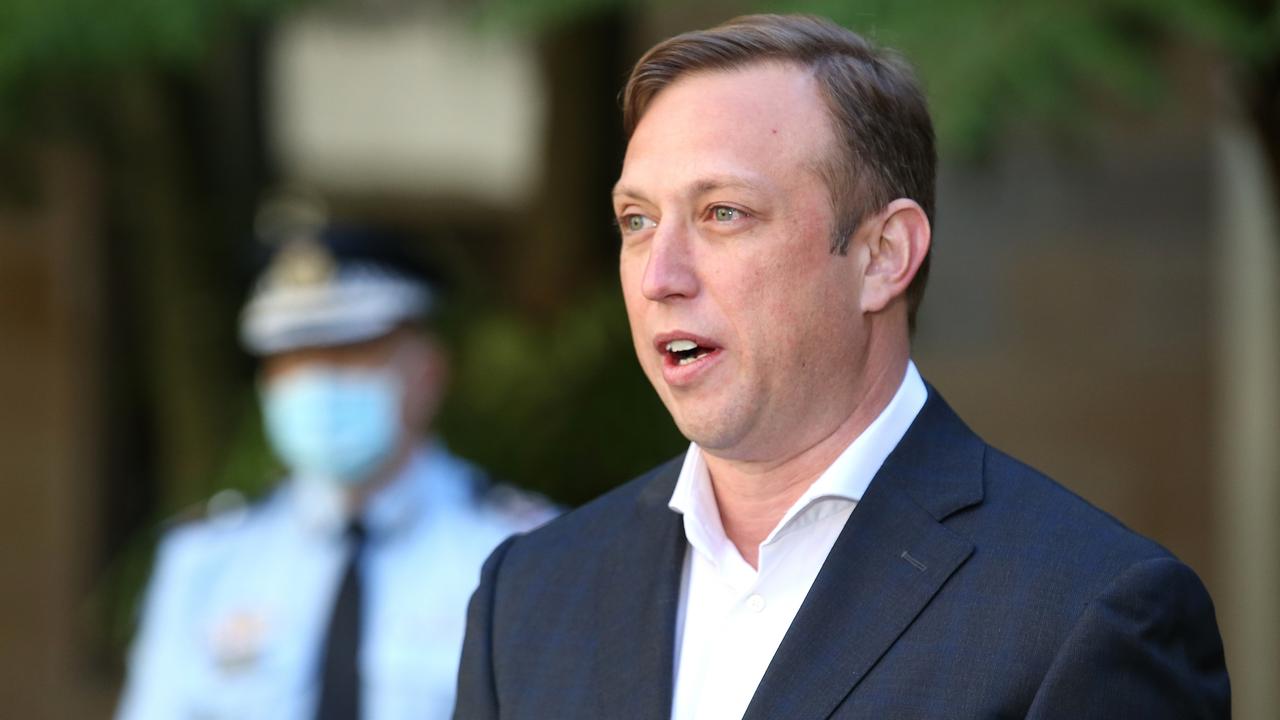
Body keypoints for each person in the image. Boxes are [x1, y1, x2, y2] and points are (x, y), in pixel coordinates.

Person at [454, 14, 1229, 720]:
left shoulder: (1087, 611)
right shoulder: (526, 595)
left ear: (882, 256)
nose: (661, 275)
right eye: (637, 220)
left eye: (724, 213)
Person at [117, 223, 554, 720]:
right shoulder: (204, 562)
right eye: (293, 360)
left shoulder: (522, 554)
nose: (317, 382)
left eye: (350, 354)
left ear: (429, 371)